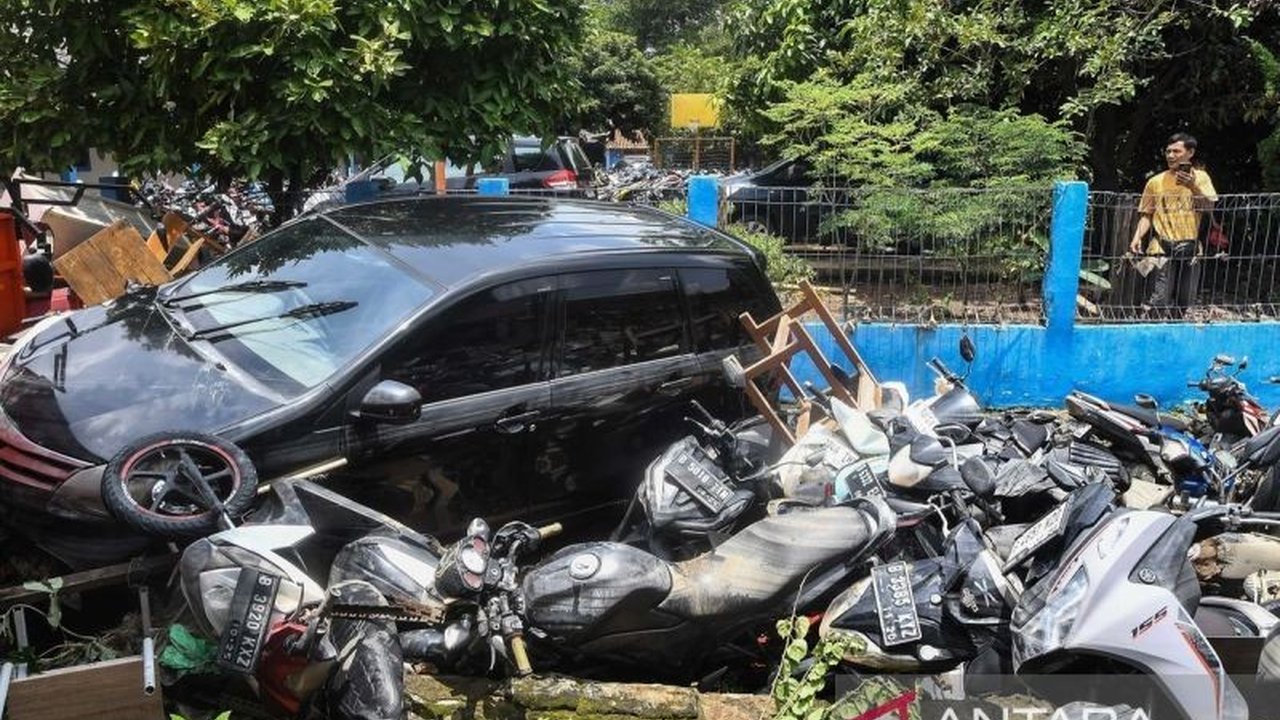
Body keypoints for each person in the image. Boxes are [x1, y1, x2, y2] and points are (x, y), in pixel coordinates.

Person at [1128, 132, 1218, 316]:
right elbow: (1147, 214)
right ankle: (1156, 331)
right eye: (1168, 151)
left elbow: (1209, 207)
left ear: (1190, 153)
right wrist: (1137, 237)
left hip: (1191, 247)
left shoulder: (1201, 177)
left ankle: (1177, 332)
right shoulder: (1155, 182)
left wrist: (1193, 187)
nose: (1170, 156)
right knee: (1159, 298)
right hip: (1161, 247)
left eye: (1176, 151)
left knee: (1186, 300)